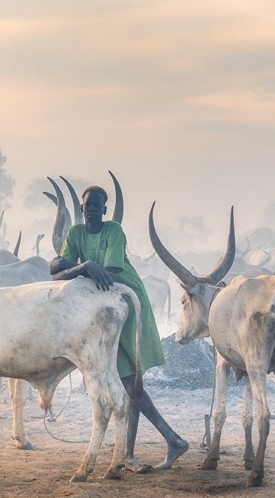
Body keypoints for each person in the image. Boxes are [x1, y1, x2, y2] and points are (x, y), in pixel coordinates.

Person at [50, 185, 189, 472]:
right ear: (82, 209)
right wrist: (85, 265)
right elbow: (55, 267)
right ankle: (136, 452)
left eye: (97, 206)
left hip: (127, 302)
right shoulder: (76, 233)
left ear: (104, 209)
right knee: (127, 383)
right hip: (103, 309)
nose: (91, 210)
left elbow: (108, 275)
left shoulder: (113, 231)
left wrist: (77, 268)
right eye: (87, 205)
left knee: (129, 381)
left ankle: (160, 443)